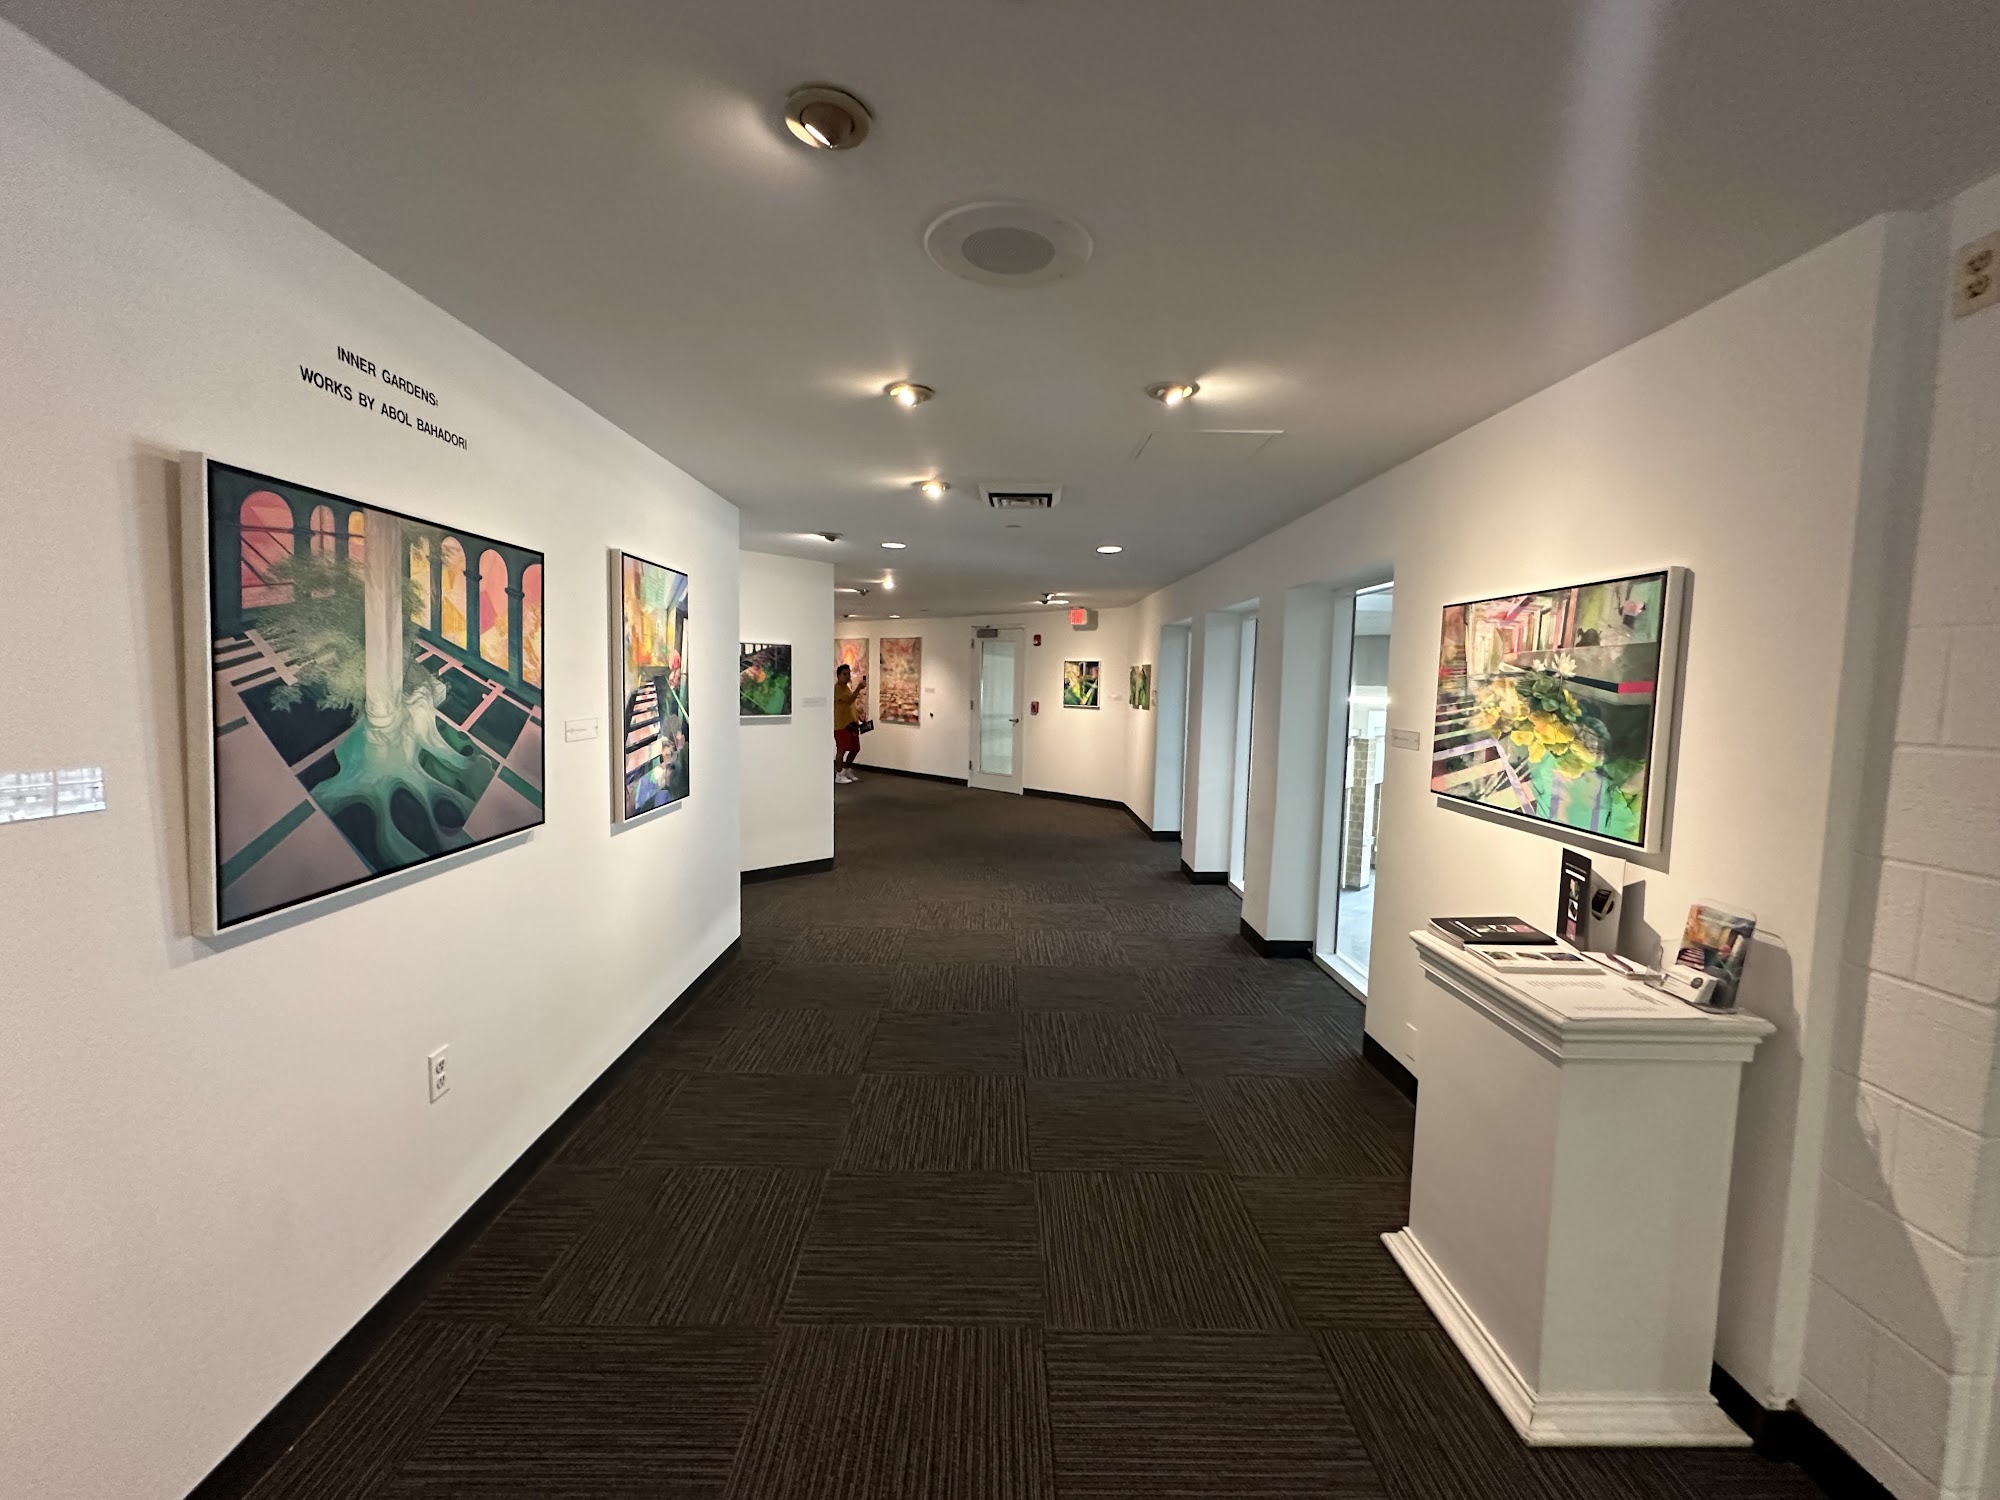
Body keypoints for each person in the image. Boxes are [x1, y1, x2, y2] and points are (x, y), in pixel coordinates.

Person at [833, 663, 862, 783]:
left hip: (852, 724)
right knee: (842, 749)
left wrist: (859, 717)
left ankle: (847, 770)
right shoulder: (837, 689)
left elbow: (850, 706)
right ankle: (838, 774)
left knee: (855, 748)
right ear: (838, 675)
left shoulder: (847, 688)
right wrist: (859, 688)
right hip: (841, 725)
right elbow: (850, 700)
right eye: (844, 674)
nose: (847, 676)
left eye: (848, 674)